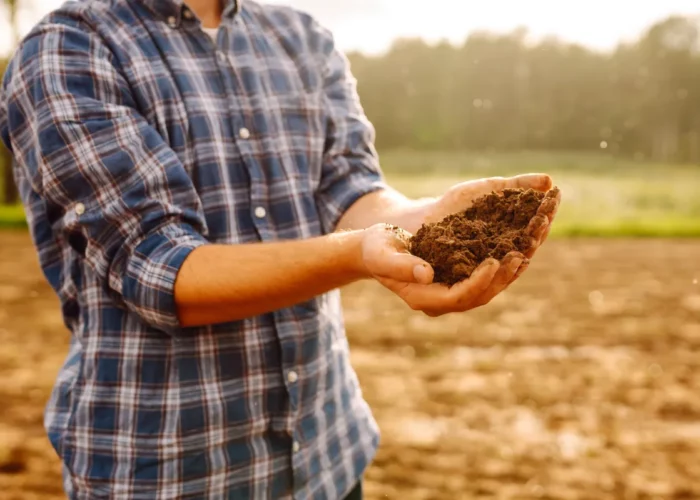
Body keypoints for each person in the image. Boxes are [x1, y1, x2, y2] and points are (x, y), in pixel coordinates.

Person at [0, 0, 560, 498]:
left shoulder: (302, 39)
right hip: (170, 472)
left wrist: (424, 220)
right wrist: (356, 254)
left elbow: (350, 189)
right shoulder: (69, 49)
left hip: (329, 458)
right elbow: (164, 271)